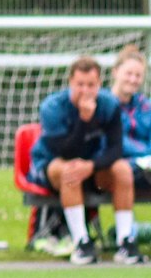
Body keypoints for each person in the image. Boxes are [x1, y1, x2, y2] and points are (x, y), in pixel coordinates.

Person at [32, 55, 141, 265]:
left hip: (92, 165)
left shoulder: (109, 105)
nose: (85, 90)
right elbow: (65, 150)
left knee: (122, 170)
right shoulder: (52, 107)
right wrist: (84, 119)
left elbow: (116, 149)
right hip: (55, 163)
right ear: (71, 82)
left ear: (99, 84)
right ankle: (82, 243)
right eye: (80, 84)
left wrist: (91, 166)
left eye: (91, 85)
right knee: (70, 170)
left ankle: (126, 241)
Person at [114, 46, 151, 193]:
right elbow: (112, 143)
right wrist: (143, 154)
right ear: (115, 71)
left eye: (138, 75)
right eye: (129, 73)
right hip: (113, 169)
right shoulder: (103, 104)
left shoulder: (146, 105)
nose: (133, 79)